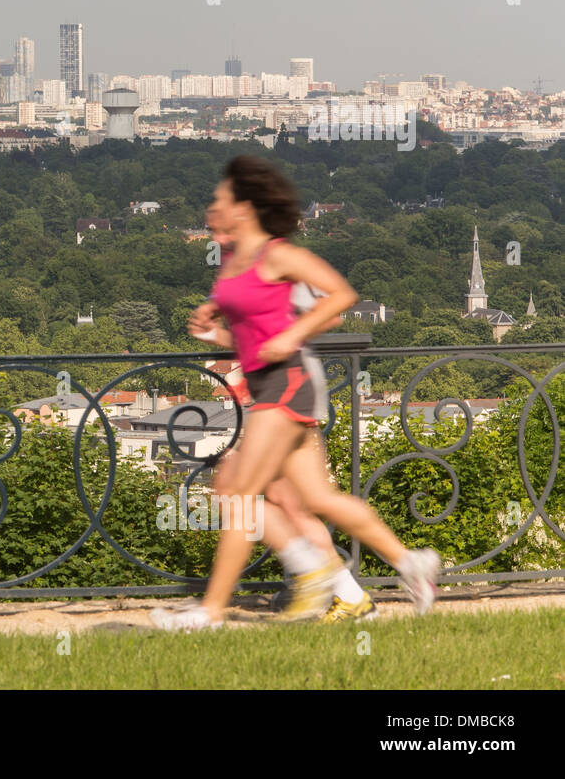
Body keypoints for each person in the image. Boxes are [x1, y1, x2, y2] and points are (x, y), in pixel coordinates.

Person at [152, 155, 439, 631]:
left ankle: (214, 610)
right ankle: (410, 564)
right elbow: (249, 327)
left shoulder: (278, 254)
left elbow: (342, 296)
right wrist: (213, 327)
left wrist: (293, 334)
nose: (213, 206)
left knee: (239, 495)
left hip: (288, 385)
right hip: (267, 383)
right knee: (316, 498)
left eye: (221, 199)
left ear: (245, 206)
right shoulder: (232, 256)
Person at [204, 208, 375, 622]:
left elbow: (330, 310)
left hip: (290, 392)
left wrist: (286, 336)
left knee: (279, 500)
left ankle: (337, 586)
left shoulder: (275, 264)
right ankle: (340, 589)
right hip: (273, 392)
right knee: (283, 500)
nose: (215, 228)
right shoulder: (243, 263)